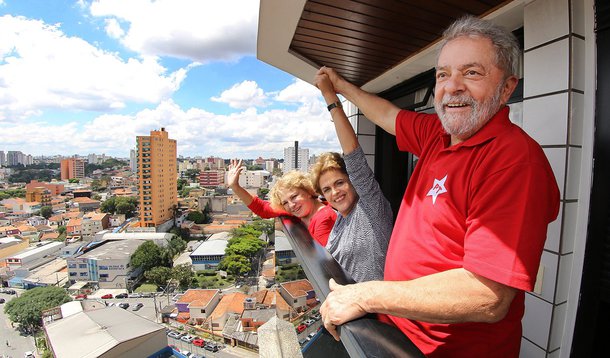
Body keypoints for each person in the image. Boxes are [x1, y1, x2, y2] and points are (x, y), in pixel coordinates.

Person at [317, 16, 560, 357]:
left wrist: (365, 294)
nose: (452, 86)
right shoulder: (438, 134)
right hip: (397, 334)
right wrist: (340, 86)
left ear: (507, 88)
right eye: (443, 74)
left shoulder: (515, 160)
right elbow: (386, 114)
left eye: (471, 72)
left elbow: (487, 295)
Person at [311, 74, 393, 283]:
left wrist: (329, 96)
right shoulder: (340, 218)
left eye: (339, 183)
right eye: (327, 189)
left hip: (378, 312)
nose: (335, 192)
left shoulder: (370, 209)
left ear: (353, 181)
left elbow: (353, 155)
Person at [227, 160, 336, 246]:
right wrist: (235, 187)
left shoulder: (324, 218)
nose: (291, 205)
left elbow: (329, 263)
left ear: (308, 191)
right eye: (285, 203)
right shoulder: (301, 209)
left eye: (294, 196)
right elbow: (262, 208)